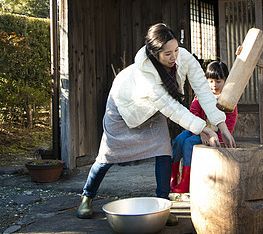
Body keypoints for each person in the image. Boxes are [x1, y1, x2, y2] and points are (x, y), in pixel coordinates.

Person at [76, 23, 236, 225]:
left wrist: (220, 124)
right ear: (154, 53)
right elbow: (171, 107)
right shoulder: (145, 72)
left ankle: (163, 205)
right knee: (108, 155)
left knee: (163, 151)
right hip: (125, 108)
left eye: (176, 50)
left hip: (153, 110)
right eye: (168, 53)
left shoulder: (183, 57)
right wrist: (203, 128)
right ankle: (87, 196)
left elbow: (203, 91)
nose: (174, 56)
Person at [170, 60, 238, 193]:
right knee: (178, 140)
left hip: (214, 135)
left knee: (189, 144)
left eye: (218, 81)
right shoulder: (201, 95)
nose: (214, 85)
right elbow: (194, 112)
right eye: (211, 81)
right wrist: (200, 130)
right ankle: (175, 175)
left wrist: (218, 139)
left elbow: (229, 123)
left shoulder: (229, 100)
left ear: (225, 81)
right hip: (197, 130)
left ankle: (187, 181)